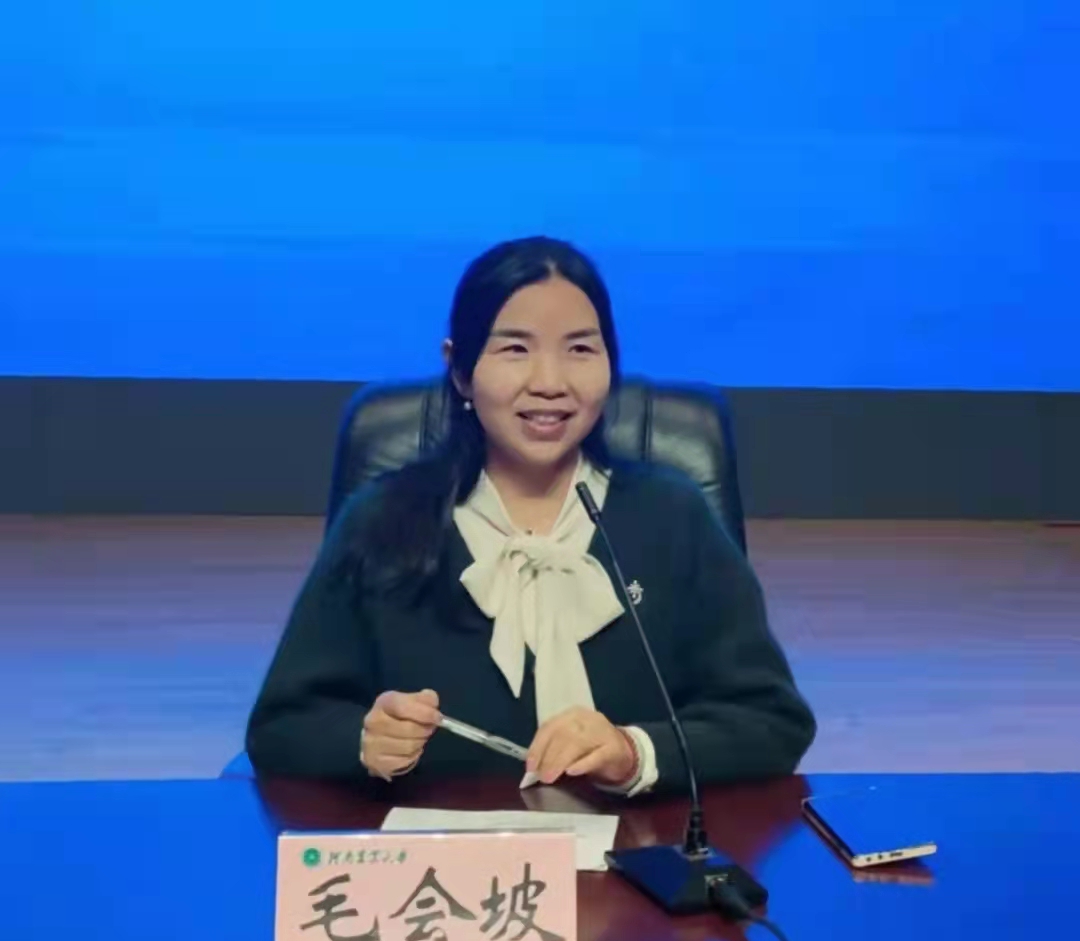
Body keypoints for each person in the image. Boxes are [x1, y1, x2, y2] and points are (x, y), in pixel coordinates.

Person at [246, 236, 815, 796]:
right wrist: (362, 741)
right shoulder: (380, 520)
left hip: (638, 847)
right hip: (444, 851)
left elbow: (771, 721)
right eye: (515, 349)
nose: (549, 383)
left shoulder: (673, 516)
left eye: (580, 350)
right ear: (460, 370)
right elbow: (281, 727)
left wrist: (636, 752)